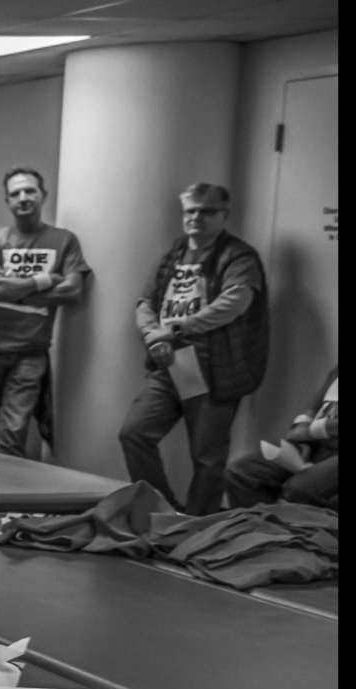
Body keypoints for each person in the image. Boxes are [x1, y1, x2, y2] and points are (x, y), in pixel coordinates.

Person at [120, 183, 270, 516]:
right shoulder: (173, 253)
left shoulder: (239, 256)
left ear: (224, 215)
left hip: (213, 367)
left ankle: (199, 525)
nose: (196, 218)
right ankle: (162, 511)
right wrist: (153, 336)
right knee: (134, 433)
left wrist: (175, 329)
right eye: (190, 211)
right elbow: (145, 302)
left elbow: (235, 302)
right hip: (170, 363)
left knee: (207, 457)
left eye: (207, 211)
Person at [0, 166, 90, 456]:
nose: (23, 198)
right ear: (7, 201)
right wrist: (43, 280)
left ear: (43, 195)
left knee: (13, 436)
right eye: (15, 193)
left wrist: (14, 291)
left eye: (29, 190)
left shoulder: (64, 240)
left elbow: (72, 291)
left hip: (31, 351)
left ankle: (4, 501)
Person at [227, 364, 339, 508]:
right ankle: (261, 527)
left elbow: (310, 430)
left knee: (298, 489)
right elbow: (312, 410)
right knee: (241, 473)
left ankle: (292, 527)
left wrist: (309, 432)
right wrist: (300, 429)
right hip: (316, 445)